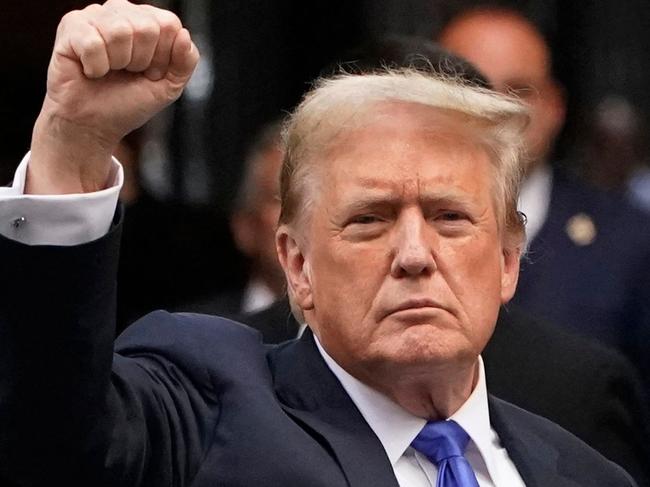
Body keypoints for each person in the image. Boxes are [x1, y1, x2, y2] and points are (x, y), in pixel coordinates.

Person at [0, 2, 635, 486]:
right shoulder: (209, 399)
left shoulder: (586, 472)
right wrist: (73, 145)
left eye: (448, 217)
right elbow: (56, 439)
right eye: (369, 220)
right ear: (296, 264)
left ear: (505, 260)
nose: (414, 254)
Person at [439, 6, 650, 391]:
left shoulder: (632, 241)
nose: (494, 108)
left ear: (554, 107)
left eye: (518, 91)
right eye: (471, 88)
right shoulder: (392, 236)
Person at [179, 120, 286, 316]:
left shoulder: (356, 337)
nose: (302, 215)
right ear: (244, 227)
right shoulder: (191, 336)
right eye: (280, 198)